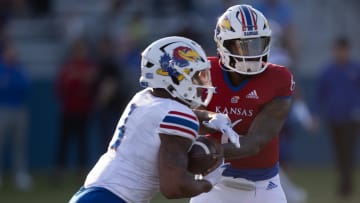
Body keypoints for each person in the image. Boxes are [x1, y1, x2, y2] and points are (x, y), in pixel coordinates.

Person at [69, 36, 230, 203]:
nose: (201, 83)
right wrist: (209, 182)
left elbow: (172, 117)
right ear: (175, 76)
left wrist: (212, 117)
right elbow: (173, 187)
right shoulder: (177, 114)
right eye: (196, 76)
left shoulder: (143, 98)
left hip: (93, 193)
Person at [190, 4, 295, 203]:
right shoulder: (204, 71)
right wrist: (206, 119)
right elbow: (189, 118)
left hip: (263, 186)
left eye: (256, 44)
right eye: (242, 45)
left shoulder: (278, 78)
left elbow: (255, 142)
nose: (251, 53)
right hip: (214, 182)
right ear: (223, 44)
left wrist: (206, 151)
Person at [316, 36, 360, 199]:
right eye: (337, 50)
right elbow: (320, 95)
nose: (340, 53)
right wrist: (316, 115)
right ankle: (345, 182)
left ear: (347, 51)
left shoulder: (355, 69)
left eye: (343, 50)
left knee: (349, 151)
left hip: (352, 118)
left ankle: (346, 184)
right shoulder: (328, 71)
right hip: (334, 118)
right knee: (339, 151)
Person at [54, 37, 97, 182]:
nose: (80, 52)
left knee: (82, 142)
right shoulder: (68, 66)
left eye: (82, 49)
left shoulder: (90, 66)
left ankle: (82, 170)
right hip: (68, 110)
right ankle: (60, 171)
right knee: (64, 142)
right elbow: (60, 87)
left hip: (84, 110)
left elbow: (93, 87)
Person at [0, 42, 32, 190]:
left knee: (19, 144)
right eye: (9, 52)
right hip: (3, 109)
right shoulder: (2, 68)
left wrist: (9, 84)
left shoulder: (19, 69)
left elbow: (24, 86)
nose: (11, 54)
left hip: (19, 109)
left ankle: (20, 174)